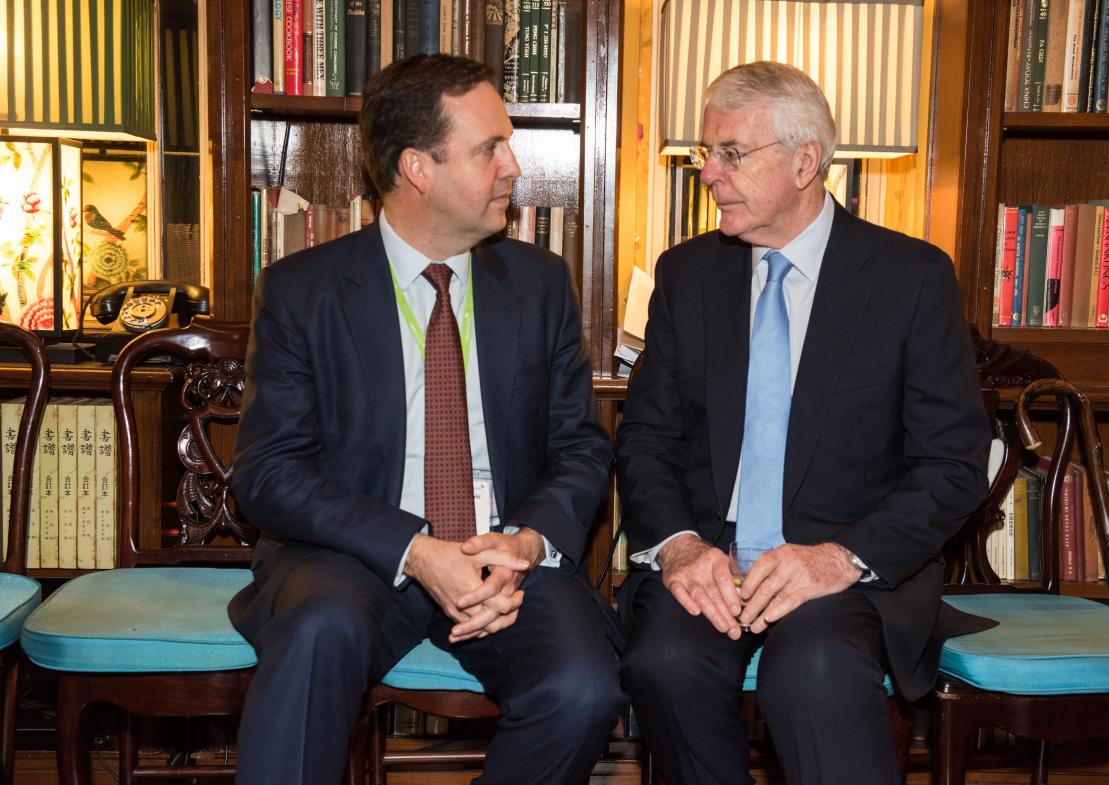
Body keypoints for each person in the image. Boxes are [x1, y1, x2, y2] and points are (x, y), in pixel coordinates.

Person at [228, 53, 624, 785]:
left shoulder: (540, 285)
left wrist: (528, 542)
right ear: (418, 168)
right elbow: (267, 472)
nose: (512, 166)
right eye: (489, 148)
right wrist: (413, 548)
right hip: (354, 557)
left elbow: (579, 445)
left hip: (502, 556)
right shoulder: (302, 292)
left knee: (583, 687)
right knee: (317, 631)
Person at [615, 61, 994, 785]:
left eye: (731, 153)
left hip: (845, 572)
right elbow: (646, 437)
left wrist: (837, 557)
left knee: (812, 668)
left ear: (805, 161)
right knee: (662, 662)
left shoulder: (910, 278)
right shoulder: (687, 275)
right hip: (714, 564)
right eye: (705, 153)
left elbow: (952, 464)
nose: (708, 173)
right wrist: (680, 548)